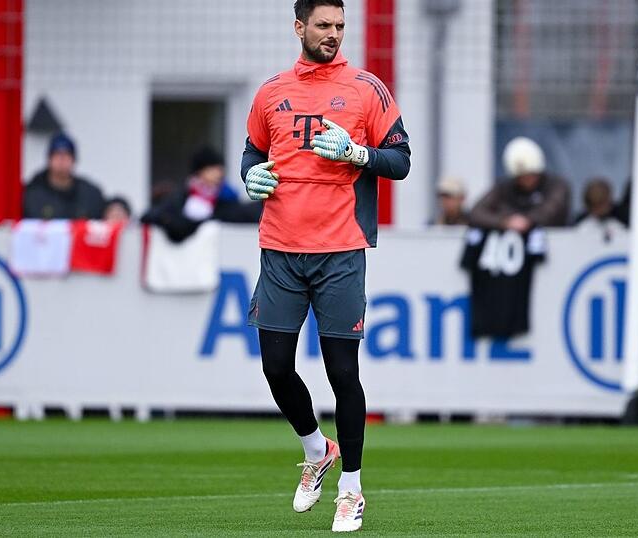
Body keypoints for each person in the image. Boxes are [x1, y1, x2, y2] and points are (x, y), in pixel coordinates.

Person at [240, 0, 410, 532]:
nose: (333, 34)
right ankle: (317, 450)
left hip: (340, 250)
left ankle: (352, 489)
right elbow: (252, 152)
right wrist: (251, 177)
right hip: (280, 250)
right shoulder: (271, 92)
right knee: (274, 366)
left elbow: (401, 160)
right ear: (299, 27)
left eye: (340, 26)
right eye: (323, 25)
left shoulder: (367, 89)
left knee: (342, 372)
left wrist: (359, 153)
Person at [141, 147, 261, 242]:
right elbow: (152, 216)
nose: (218, 173)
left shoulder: (225, 197)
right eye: (212, 169)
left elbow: (241, 214)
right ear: (200, 171)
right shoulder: (182, 197)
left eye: (220, 169)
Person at [469, 137, 570, 231]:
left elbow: (551, 210)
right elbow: (476, 213)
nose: (527, 180)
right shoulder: (505, 188)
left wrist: (527, 220)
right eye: (521, 177)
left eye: (531, 175)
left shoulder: (556, 185)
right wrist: (504, 221)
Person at [23, 132, 105, 220]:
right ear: (49, 159)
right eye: (57, 155)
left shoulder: (90, 194)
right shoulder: (31, 194)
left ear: (74, 160)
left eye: (66, 155)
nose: (61, 160)